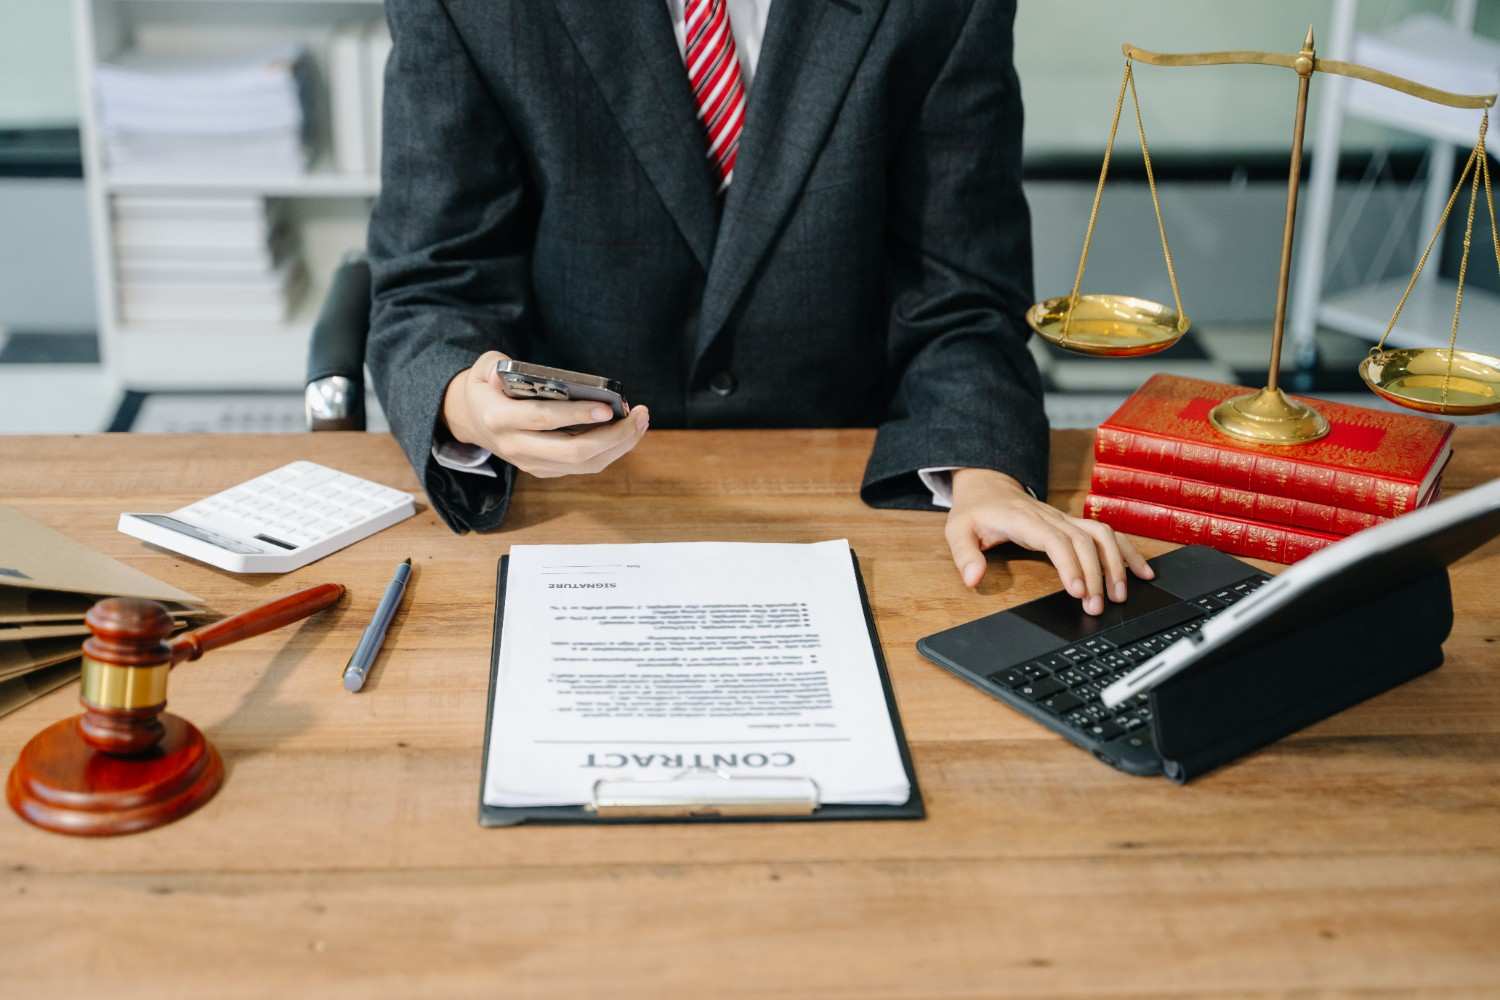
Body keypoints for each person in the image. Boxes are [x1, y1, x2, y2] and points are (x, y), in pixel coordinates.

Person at [367, 0, 1154, 615]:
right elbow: (433, 284)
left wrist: (983, 471)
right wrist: (463, 405)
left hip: (855, 494)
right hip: (572, 503)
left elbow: (962, 290)